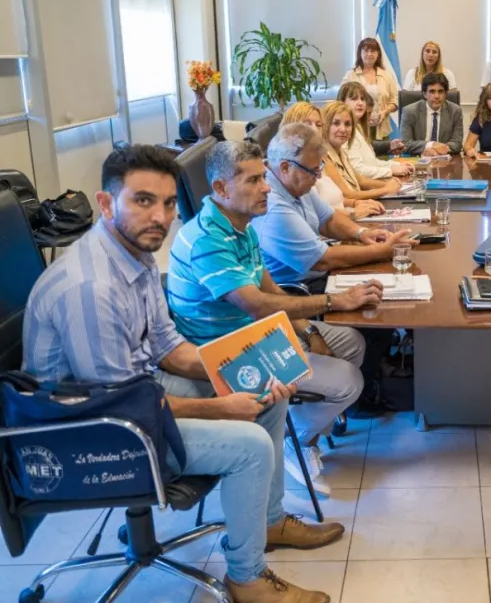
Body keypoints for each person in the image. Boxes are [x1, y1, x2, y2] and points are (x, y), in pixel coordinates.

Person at [22, 144, 339, 602]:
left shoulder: (137, 254)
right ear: (106, 203)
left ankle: (268, 524)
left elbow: (168, 348)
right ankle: (246, 579)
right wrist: (220, 407)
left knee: (267, 394)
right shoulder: (91, 288)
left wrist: (246, 372)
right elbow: (120, 405)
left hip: (135, 394)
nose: (161, 216)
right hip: (94, 435)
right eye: (143, 200)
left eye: (169, 203)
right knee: (249, 445)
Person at [167, 140, 379, 496]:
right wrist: (333, 301)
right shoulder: (207, 241)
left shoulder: (242, 225)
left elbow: (273, 292)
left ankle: (305, 429)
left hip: (258, 332)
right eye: (253, 181)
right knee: (348, 381)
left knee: (352, 342)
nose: (266, 187)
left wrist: (309, 330)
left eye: (263, 177)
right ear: (220, 188)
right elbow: (258, 305)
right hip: (228, 352)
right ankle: (294, 442)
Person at [250, 122, 415, 290]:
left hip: (320, 276)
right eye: (314, 170)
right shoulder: (271, 204)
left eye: (320, 167)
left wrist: (362, 233)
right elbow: (322, 260)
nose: (319, 175)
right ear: (285, 167)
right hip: (298, 291)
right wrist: (381, 251)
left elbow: (328, 219)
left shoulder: (297, 182)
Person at [280, 101, 385, 220]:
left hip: (342, 222)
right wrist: (353, 213)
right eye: (307, 124)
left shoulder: (316, 158)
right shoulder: (295, 167)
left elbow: (327, 202)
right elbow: (315, 214)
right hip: (333, 228)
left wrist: (354, 203)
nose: (314, 129)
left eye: (318, 125)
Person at [318, 101, 404, 202]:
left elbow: (360, 180)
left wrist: (395, 184)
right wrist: (386, 190)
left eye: (347, 124)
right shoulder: (324, 157)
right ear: (325, 126)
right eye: (336, 123)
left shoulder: (341, 152)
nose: (343, 129)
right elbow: (347, 195)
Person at [337, 81, 414, 179]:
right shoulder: (344, 131)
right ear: (342, 102)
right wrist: (390, 171)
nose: (360, 103)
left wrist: (395, 165)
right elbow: (357, 170)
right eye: (354, 99)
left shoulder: (358, 128)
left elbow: (372, 162)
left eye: (362, 99)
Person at [341, 37, 399, 140]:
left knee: (381, 155)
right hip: (356, 128)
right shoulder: (350, 75)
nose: (369, 54)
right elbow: (341, 100)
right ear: (360, 53)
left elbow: (395, 101)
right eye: (366, 50)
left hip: (381, 128)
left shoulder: (386, 76)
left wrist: (385, 111)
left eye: (373, 51)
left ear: (378, 54)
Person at [399, 72, 464, 156]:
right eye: (432, 91)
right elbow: (405, 143)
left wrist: (439, 149)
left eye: (440, 91)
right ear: (424, 94)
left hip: (444, 160)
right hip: (418, 159)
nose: (436, 96)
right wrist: (430, 145)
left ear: (446, 94)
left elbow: (457, 143)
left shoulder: (455, 111)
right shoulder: (410, 111)